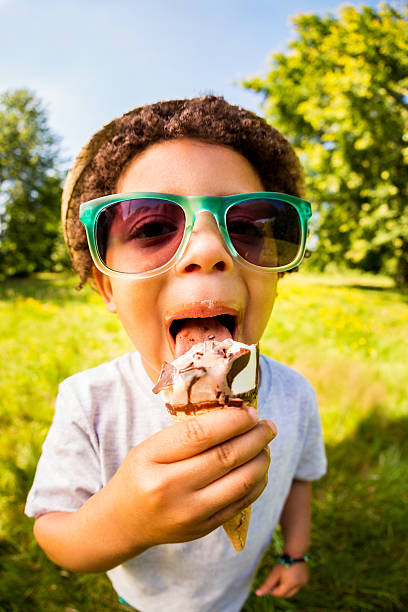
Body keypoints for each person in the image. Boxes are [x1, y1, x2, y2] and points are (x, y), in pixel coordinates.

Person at [25, 96, 327, 612]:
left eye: (249, 226)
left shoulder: (296, 395)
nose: (208, 250)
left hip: (235, 598)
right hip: (145, 601)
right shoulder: (89, 403)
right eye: (151, 227)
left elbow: (300, 480)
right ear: (106, 288)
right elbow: (57, 535)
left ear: (276, 274)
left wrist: (294, 555)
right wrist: (123, 521)